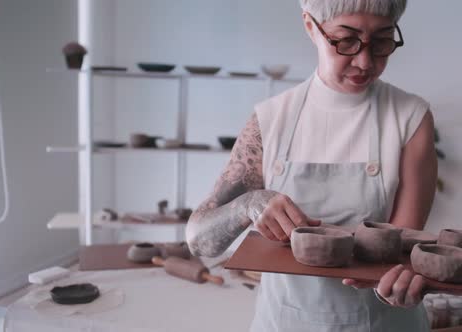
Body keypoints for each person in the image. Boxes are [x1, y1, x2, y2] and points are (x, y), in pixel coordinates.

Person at [186, 0, 437, 330]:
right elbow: (199, 240)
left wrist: (400, 284)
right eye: (346, 40)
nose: (365, 61)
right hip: (286, 321)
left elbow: (401, 251)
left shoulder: (410, 117)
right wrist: (248, 205)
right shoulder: (270, 120)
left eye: (382, 41)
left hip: (383, 322)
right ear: (310, 26)